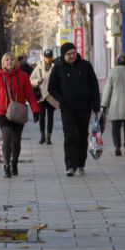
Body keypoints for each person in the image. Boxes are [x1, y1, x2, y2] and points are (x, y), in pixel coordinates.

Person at [47, 42, 100, 177]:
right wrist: (62, 99)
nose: (72, 56)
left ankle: (81, 164)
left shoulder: (86, 65)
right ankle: (70, 166)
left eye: (73, 53)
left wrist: (96, 106)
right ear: (63, 55)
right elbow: (51, 88)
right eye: (68, 54)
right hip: (67, 108)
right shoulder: (58, 68)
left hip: (84, 107)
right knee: (70, 135)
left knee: (82, 135)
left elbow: (94, 86)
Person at [0, 52, 40, 178]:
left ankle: (14, 163)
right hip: (2, 113)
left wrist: (36, 110)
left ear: (15, 62)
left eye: (12, 59)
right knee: (7, 138)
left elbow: (30, 95)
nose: (9, 61)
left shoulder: (23, 76)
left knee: (16, 142)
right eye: (6, 60)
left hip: (18, 113)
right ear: (3, 63)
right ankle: (7, 165)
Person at [30, 49, 57, 145]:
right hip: (41, 96)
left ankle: (48, 137)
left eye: (50, 57)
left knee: (50, 117)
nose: (48, 59)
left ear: (52, 57)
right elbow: (31, 79)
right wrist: (37, 81)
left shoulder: (55, 67)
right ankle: (42, 136)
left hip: (51, 96)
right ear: (43, 57)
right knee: (42, 116)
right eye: (46, 57)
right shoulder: (39, 67)